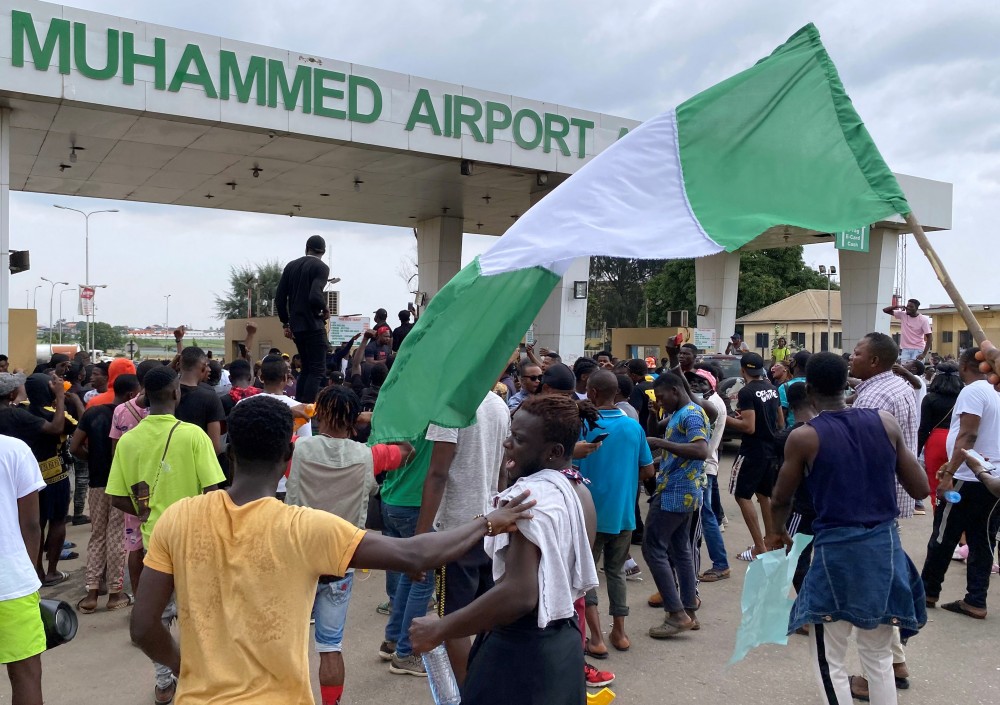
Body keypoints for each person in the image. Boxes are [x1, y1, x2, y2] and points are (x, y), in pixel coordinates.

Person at [130, 395, 532, 705]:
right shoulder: (304, 528)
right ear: (288, 457)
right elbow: (415, 555)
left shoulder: (178, 519)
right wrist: (487, 522)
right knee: (330, 640)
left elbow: (144, 626)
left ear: (231, 453)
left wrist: (188, 669)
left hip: (196, 696)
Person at [409, 394, 599, 705]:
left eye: (519, 440)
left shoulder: (527, 499)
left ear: (554, 452)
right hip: (563, 646)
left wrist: (441, 627)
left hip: (521, 654)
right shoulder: (579, 492)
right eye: (510, 433)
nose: (507, 444)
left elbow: (520, 594)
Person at [768, 352, 929, 705]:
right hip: (884, 549)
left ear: (808, 388)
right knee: (879, 656)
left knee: (830, 659)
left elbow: (781, 498)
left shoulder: (805, 437)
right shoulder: (885, 422)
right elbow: (920, 489)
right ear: (848, 384)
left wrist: (775, 534)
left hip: (837, 555)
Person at [285, 386, 414, 704]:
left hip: (295, 559)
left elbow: (275, 427)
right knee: (330, 646)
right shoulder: (369, 457)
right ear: (353, 420)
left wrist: (301, 413)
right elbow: (407, 449)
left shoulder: (297, 451)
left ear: (322, 415)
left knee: (285, 641)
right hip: (340, 562)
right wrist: (374, 420)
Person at [106, 366, 226, 705]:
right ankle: (197, 677)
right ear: (176, 394)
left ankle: (164, 682)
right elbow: (212, 490)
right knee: (195, 614)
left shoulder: (129, 441)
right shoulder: (193, 436)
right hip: (194, 541)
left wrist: (142, 511)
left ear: (145, 396)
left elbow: (114, 495)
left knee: (156, 617)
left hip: (153, 543)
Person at [414, 388, 510, 682]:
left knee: (451, 621)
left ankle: (470, 690)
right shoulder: (499, 405)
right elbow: (503, 472)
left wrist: (419, 543)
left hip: (456, 532)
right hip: (491, 525)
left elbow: (438, 473)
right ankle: (489, 682)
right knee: (486, 613)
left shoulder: (452, 405)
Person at [577, 370, 653, 656]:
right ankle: (620, 633)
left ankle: (595, 638)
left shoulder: (584, 425)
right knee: (616, 573)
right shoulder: (634, 427)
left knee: (586, 576)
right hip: (623, 515)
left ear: (593, 393)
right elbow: (648, 470)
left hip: (589, 516)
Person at [920, 347, 1000, 620]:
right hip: (992, 478)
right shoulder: (996, 390)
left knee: (943, 537)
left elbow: (968, 435)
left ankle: (927, 593)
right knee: (983, 540)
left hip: (967, 476)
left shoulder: (973, 390)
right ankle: (976, 600)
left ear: (966, 367)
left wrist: (948, 474)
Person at [642, 372, 709, 637]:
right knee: (680, 549)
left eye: (661, 397)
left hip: (676, 491)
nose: (660, 402)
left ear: (675, 390)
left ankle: (676, 614)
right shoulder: (681, 413)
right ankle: (689, 609)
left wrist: (659, 444)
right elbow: (656, 429)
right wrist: (653, 415)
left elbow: (702, 450)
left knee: (653, 548)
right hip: (684, 491)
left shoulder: (691, 414)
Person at [70, 373, 139, 613]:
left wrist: (93, 461)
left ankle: (91, 593)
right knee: (117, 537)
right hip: (121, 485)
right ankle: (115, 594)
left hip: (97, 483)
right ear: (131, 394)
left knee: (97, 535)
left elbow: (74, 447)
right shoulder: (133, 416)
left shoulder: (93, 413)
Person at [0, 433, 46, 705]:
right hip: (11, 581)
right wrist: (29, 572)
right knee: (26, 676)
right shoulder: (14, 449)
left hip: (13, 579)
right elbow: (30, 524)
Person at [725, 353, 783, 561]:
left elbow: (748, 427)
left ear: (743, 370)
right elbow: (780, 422)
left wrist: (725, 418)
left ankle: (760, 547)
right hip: (770, 450)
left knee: (742, 495)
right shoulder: (772, 388)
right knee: (762, 494)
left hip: (751, 451)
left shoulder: (747, 392)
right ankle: (771, 540)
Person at [240, 354, 313, 498]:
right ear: (286, 378)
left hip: (247, 483)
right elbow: (305, 449)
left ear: (261, 377)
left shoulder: (243, 406)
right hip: (284, 484)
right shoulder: (301, 410)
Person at [686, 368, 730, 583]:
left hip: (704, 467)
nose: (695, 385)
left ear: (711, 385)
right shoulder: (710, 400)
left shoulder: (711, 405)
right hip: (707, 464)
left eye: (700, 382)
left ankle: (720, 564)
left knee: (706, 516)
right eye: (692, 381)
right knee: (706, 515)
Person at [276, 234, 331, 403]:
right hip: (313, 325)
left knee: (306, 368)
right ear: (323, 251)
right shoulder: (321, 267)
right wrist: (325, 308)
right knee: (316, 370)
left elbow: (279, 298)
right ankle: (306, 411)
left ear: (306, 247)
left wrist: (286, 322)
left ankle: (298, 406)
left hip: (297, 327)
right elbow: (315, 296)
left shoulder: (291, 266)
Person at [917, 361, 962, 503]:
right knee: (959, 482)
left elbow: (924, 428)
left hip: (936, 441)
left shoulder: (930, 399)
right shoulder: (963, 396)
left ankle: (939, 515)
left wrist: (916, 451)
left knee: (936, 485)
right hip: (959, 440)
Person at [175, 345, 226, 456]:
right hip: (197, 462)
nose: (209, 369)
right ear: (203, 367)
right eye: (207, 366)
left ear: (178, 365)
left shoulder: (167, 392)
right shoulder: (210, 396)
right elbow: (215, 447)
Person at [883, 298, 932, 362]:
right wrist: (897, 306)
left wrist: (924, 354)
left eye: (911, 307)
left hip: (918, 349)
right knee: (904, 368)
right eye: (907, 306)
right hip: (905, 349)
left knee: (915, 369)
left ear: (916, 308)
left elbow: (930, 338)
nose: (908, 308)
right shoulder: (903, 314)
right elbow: (885, 310)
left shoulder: (923, 320)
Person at [779, 350, 810, 427]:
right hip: (815, 431)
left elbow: (781, 417)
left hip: (791, 432)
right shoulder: (816, 385)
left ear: (794, 363)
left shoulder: (785, 387)